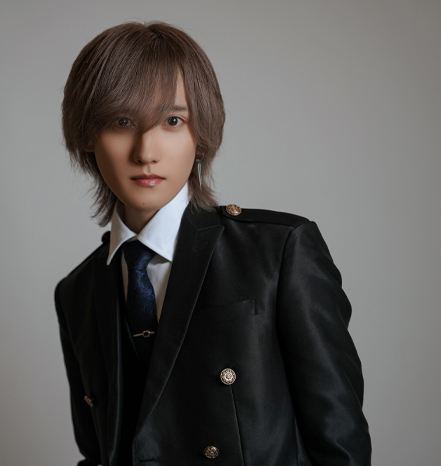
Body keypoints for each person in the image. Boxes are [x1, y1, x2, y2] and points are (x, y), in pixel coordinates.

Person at [55, 21, 371, 466]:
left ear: (200, 134)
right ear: (88, 135)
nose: (146, 151)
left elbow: (341, 446)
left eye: (172, 121)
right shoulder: (77, 292)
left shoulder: (279, 252)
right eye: (121, 122)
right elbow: (98, 453)